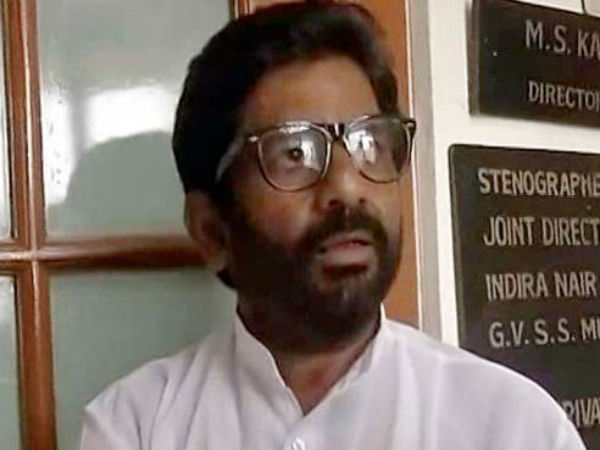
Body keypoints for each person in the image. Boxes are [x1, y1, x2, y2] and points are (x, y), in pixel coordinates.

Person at [79, 2, 586, 449]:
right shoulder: (136, 426)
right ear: (212, 231)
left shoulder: (512, 426)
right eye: (294, 153)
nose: (347, 187)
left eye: (370, 143)